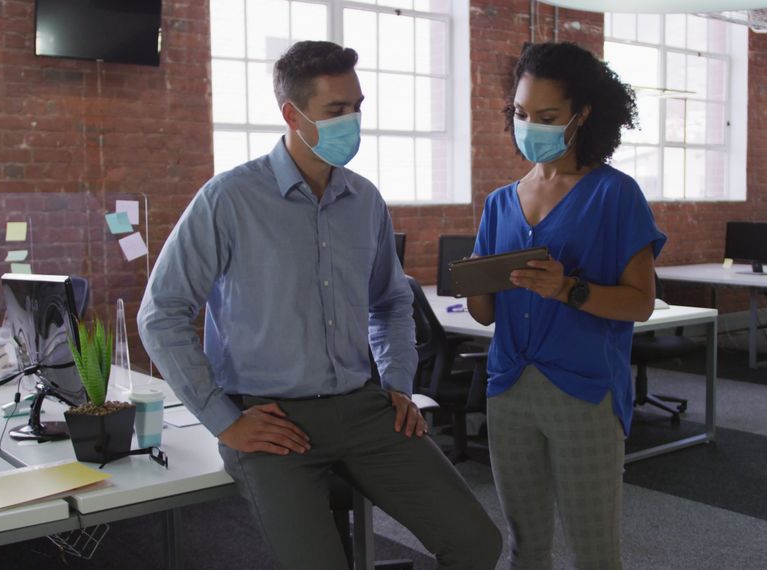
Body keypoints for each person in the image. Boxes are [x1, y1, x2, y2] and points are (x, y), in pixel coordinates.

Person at [138, 41, 501, 570]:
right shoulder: (228, 200)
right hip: (269, 418)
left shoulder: (365, 200)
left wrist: (398, 380)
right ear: (292, 113)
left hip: (363, 406)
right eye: (336, 110)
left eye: (357, 106)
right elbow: (161, 313)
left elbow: (393, 302)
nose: (352, 120)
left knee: (477, 543)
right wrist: (223, 418)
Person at [467, 42, 666, 570]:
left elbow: (641, 303)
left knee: (593, 550)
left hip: (583, 389)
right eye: (521, 114)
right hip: (509, 388)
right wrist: (474, 281)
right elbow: (485, 314)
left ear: (583, 114)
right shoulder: (500, 202)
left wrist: (567, 289)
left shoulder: (615, 195)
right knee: (524, 546)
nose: (530, 126)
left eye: (548, 116)